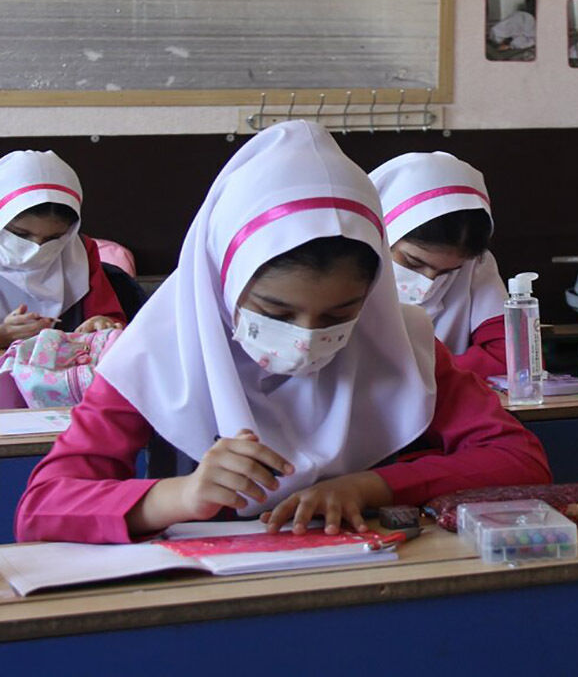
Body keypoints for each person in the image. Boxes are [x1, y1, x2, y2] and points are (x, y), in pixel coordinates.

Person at [17, 121, 550, 544]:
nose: (305, 339)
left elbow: (520, 460)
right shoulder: (157, 353)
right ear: (223, 285)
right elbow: (41, 508)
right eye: (274, 311)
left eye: (340, 315)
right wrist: (182, 495)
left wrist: (370, 486)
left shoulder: (400, 343)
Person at [369, 152, 508, 378]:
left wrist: (413, 375)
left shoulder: (475, 265)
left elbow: (511, 357)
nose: (427, 284)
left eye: (449, 272)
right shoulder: (346, 265)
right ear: (383, 231)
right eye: (413, 262)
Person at [0, 150, 125, 349]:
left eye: (53, 238)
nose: (37, 249)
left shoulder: (79, 252)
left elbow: (110, 320)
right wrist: (3, 336)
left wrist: (102, 325)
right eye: (21, 235)